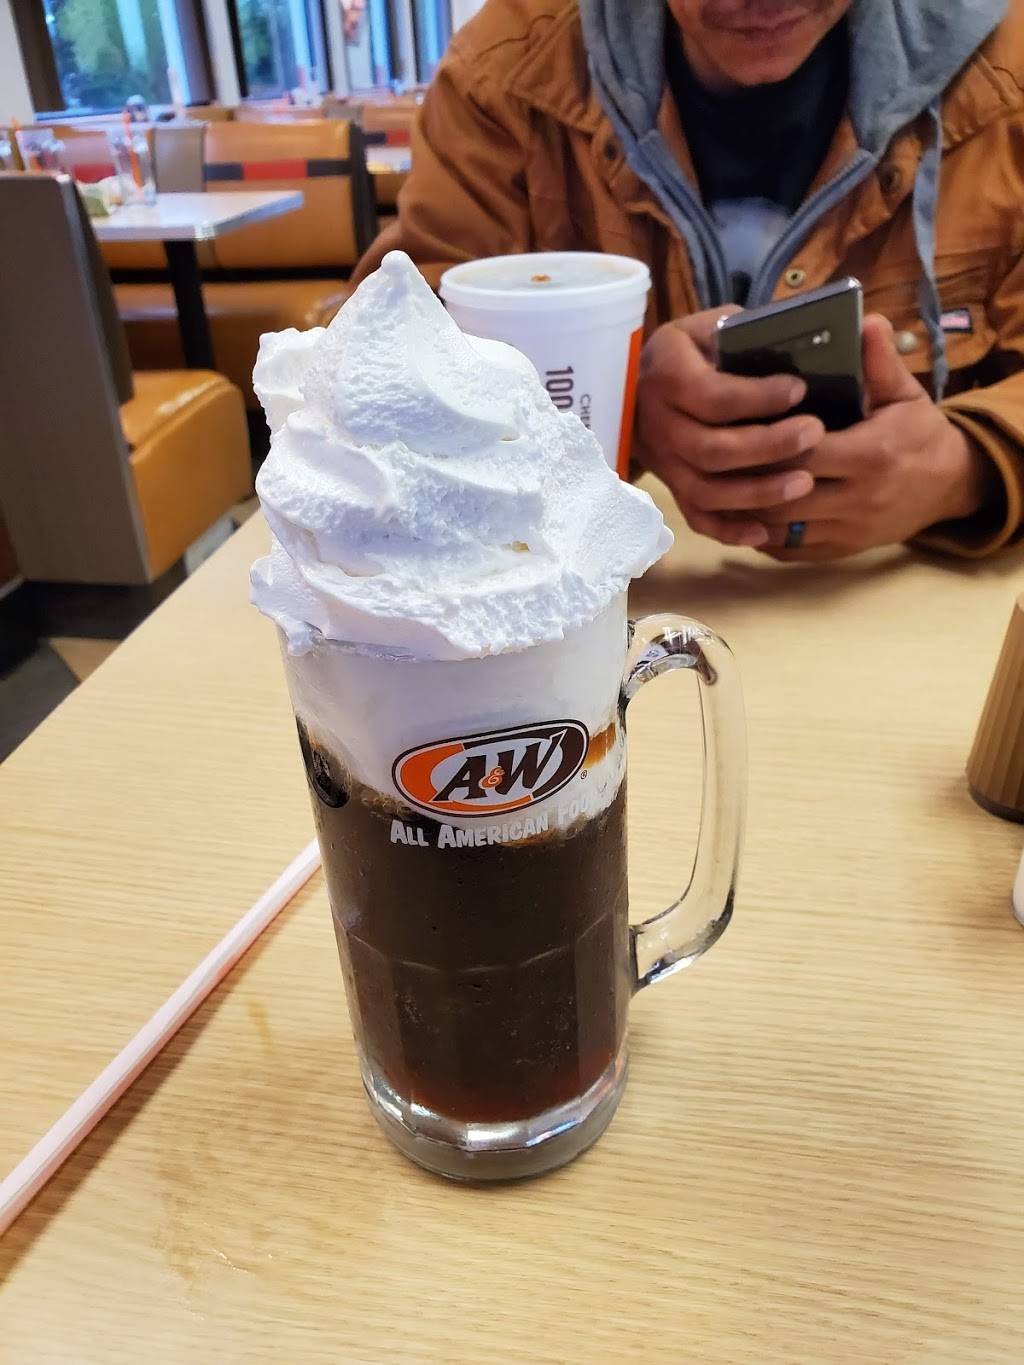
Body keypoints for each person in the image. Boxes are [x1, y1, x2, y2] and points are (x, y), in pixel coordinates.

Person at [353, 0, 1024, 561]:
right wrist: (616, 408)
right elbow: (372, 374)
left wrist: (969, 467)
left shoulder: (1008, 75)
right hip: (602, 619)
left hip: (921, 625)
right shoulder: (505, 73)